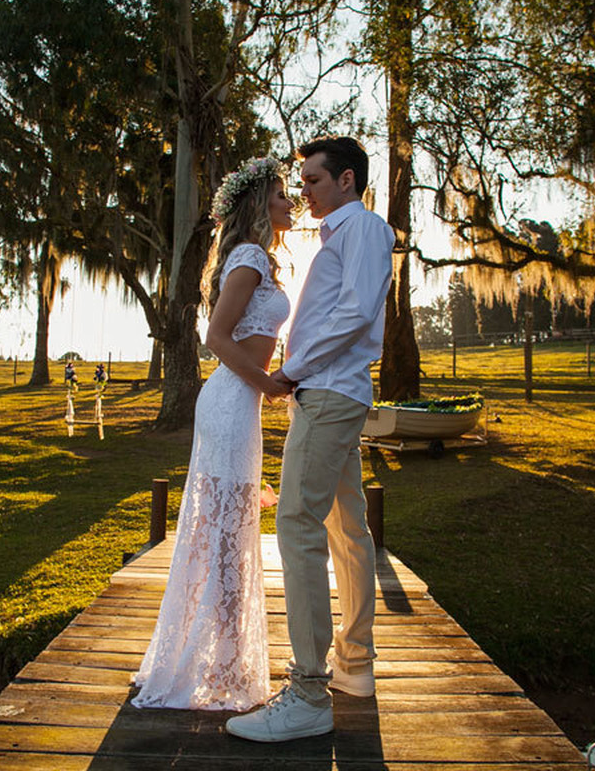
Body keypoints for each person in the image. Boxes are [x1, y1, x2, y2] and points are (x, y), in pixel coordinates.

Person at [227, 136, 394, 742]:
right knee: (346, 526)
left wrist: (293, 370)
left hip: (326, 393)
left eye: (314, 181)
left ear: (346, 180)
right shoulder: (338, 236)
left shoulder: (365, 229)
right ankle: (354, 667)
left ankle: (306, 692)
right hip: (326, 393)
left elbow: (354, 314)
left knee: (295, 523)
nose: (304, 192)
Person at [131, 157, 295, 711]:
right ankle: (221, 665)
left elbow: (256, 330)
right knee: (226, 532)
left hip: (238, 403)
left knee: (229, 529)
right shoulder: (249, 255)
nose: (289, 203)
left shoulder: (261, 260)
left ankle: (222, 658)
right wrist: (268, 384)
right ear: (257, 206)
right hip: (231, 399)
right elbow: (216, 338)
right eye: (280, 194)